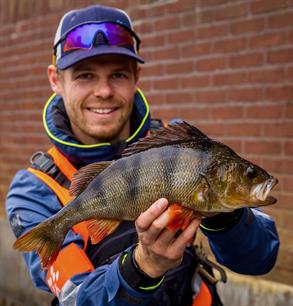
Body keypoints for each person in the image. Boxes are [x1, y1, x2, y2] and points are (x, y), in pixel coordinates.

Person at [6, 4, 279, 306]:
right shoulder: (34, 190)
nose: (104, 91)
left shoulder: (180, 143)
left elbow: (261, 258)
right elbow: (76, 298)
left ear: (137, 76)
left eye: (118, 74)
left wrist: (224, 214)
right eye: (85, 76)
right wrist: (142, 268)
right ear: (56, 80)